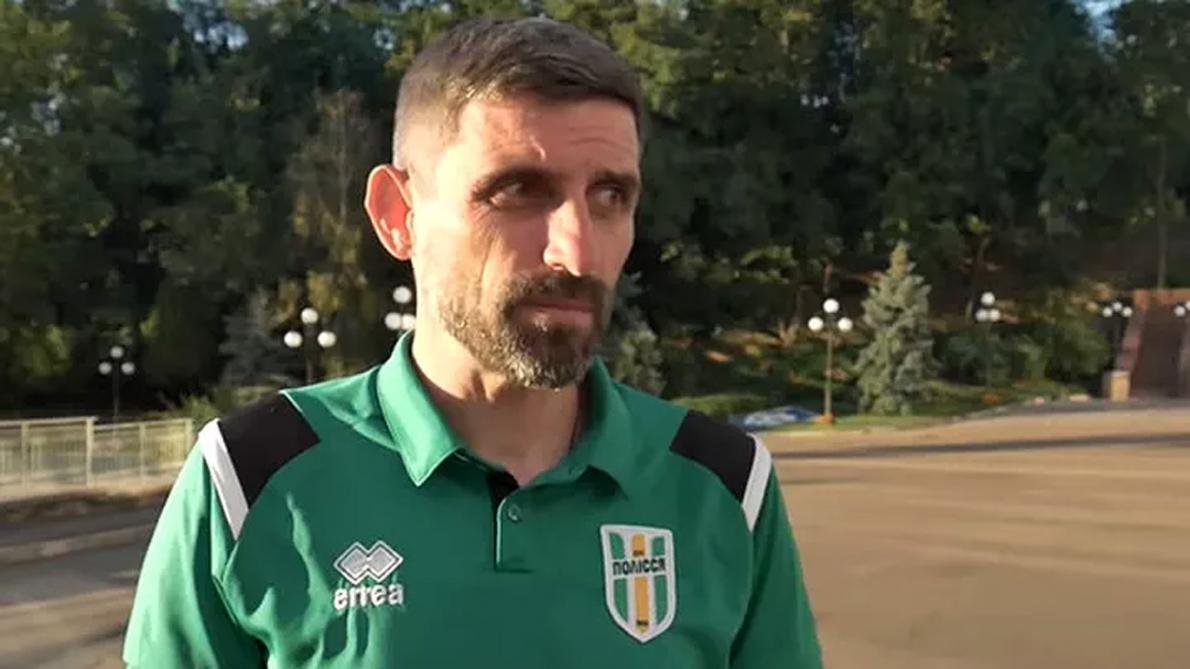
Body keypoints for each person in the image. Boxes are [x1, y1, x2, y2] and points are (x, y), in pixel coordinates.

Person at [123, 16, 822, 668]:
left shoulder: (726, 487)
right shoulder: (249, 479)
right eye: (518, 191)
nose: (577, 252)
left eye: (610, 197)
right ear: (398, 215)